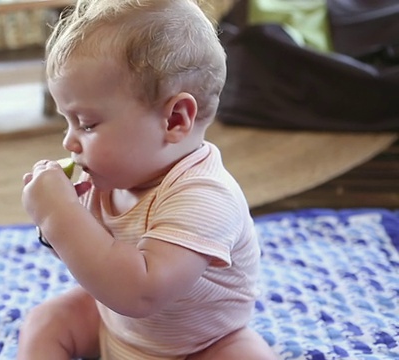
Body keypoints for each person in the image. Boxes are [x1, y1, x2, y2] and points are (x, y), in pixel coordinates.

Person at [19, 0, 277, 358]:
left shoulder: (205, 196)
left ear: (174, 120)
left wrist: (58, 216)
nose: (69, 141)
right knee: (46, 321)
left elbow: (140, 292)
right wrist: (56, 226)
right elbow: (96, 265)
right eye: (68, 121)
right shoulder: (106, 182)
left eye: (87, 124)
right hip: (114, 330)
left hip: (201, 346)